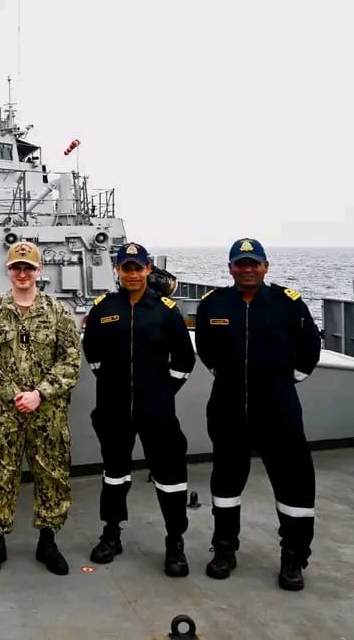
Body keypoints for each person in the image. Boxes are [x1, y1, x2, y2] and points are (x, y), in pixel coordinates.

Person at [195, 238, 321, 591]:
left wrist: (284, 382)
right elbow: (205, 348)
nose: (247, 269)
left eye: (254, 263)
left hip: (278, 410)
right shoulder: (213, 304)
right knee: (225, 483)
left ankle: (294, 559)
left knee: (294, 484)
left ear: (265, 266)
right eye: (241, 263)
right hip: (228, 407)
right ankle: (224, 551)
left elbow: (310, 348)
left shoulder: (288, 304)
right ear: (230, 267)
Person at [82, 242, 196, 576]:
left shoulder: (165, 309)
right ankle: (111, 533)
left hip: (156, 411)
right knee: (114, 475)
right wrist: (114, 385)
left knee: (170, 478)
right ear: (117, 271)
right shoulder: (105, 308)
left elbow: (184, 358)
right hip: (114, 409)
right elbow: (93, 353)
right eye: (126, 268)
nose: (132, 274)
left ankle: (175, 542)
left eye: (138, 268)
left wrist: (162, 391)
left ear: (148, 269)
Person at [0, 241, 82, 575]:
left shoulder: (58, 312)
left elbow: (71, 360)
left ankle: (47, 541)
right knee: (1, 473)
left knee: (51, 475)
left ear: (39, 272)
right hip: (5, 413)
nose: (22, 274)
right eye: (16, 268)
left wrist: (39, 393)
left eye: (28, 268)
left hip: (47, 412)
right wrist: (12, 393)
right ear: (8, 271)